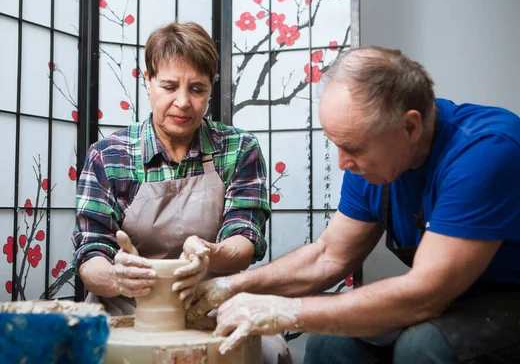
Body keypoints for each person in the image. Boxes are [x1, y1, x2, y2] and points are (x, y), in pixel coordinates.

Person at [187, 46, 520, 363]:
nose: (343, 162)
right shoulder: (377, 155)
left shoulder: (485, 152)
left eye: (354, 148)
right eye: (337, 145)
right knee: (332, 342)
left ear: (410, 126)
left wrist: (283, 311)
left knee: (424, 348)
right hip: (455, 296)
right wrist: (230, 285)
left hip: (504, 298)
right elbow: (329, 256)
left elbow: (425, 294)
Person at [72, 22, 294, 364]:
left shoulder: (238, 148)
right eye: (169, 86)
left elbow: (244, 240)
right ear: (147, 81)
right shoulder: (108, 155)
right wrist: (118, 276)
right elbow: (91, 255)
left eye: (197, 89)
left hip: (210, 299)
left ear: (211, 89)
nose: (183, 102)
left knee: (270, 352)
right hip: (126, 304)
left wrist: (212, 253)